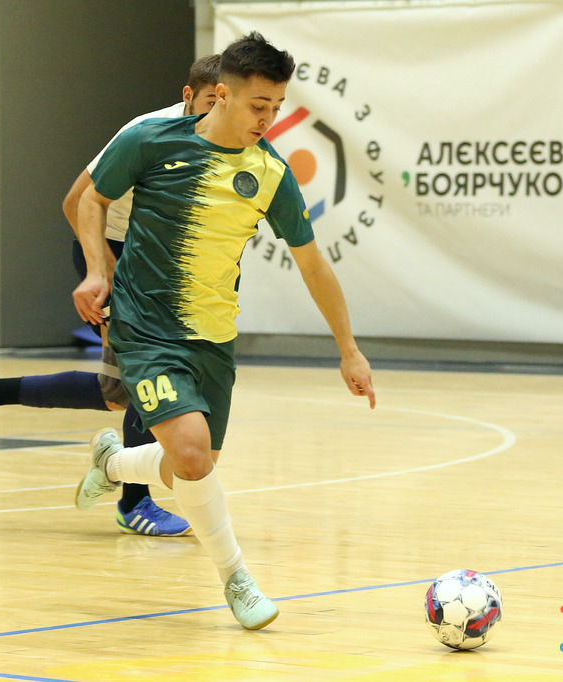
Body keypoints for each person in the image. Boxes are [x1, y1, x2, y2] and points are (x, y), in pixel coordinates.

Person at [72, 32, 376, 631]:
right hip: (144, 325)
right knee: (191, 456)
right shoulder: (150, 140)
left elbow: (313, 264)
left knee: (192, 464)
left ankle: (114, 464)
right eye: (259, 105)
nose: (268, 118)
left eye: (277, 107)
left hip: (213, 336)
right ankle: (238, 579)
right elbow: (89, 200)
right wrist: (96, 270)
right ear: (220, 96)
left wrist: (349, 350)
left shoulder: (270, 173)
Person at [0, 54, 222, 538]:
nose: (219, 110)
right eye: (211, 100)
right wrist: (101, 270)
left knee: (118, 394)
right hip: (113, 255)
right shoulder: (147, 132)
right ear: (188, 96)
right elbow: (76, 202)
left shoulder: (228, 141)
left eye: (226, 101)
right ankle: (134, 503)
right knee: (147, 381)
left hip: (152, 263)